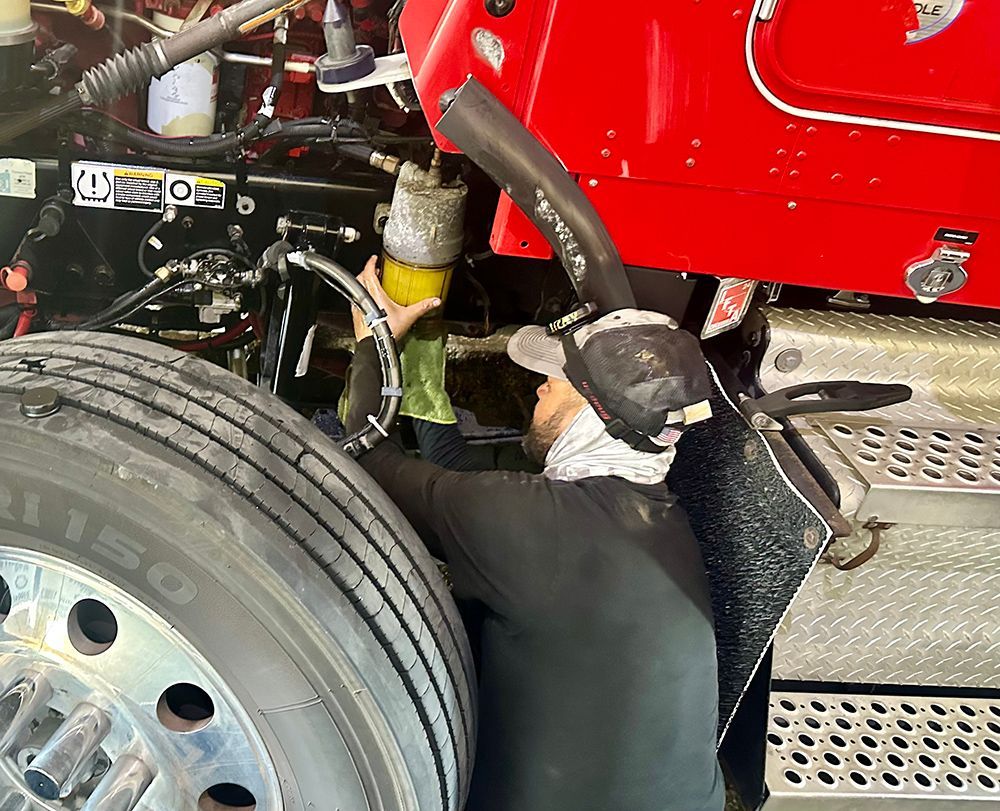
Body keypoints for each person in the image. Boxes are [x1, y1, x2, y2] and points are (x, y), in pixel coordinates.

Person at [346, 257, 725, 811]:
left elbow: (367, 459)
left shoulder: (527, 519)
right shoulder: (660, 520)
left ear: (596, 413)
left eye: (556, 382)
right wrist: (425, 378)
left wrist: (373, 343)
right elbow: (467, 489)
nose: (540, 390)